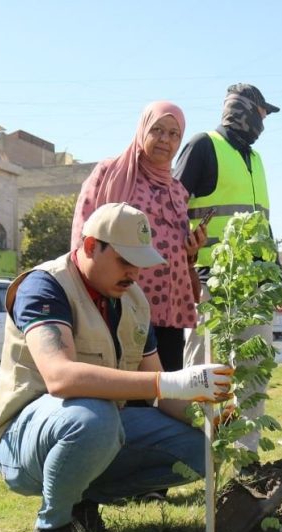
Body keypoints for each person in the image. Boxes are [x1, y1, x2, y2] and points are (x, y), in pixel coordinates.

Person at [0, 203, 234, 532]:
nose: (134, 273)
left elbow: (163, 389)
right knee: (93, 420)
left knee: (201, 447)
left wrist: (212, 418)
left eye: (139, 263)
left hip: (95, 426)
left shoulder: (132, 301)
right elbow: (60, 377)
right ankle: (51, 529)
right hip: (21, 440)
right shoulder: (45, 286)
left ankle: (81, 500)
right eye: (124, 261)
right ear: (89, 247)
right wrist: (170, 383)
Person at [174, 83, 282, 452]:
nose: (263, 123)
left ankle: (245, 459)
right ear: (245, 110)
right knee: (204, 374)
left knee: (254, 372)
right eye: (262, 113)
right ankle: (196, 457)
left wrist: (276, 275)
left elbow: (261, 225)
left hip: (255, 286)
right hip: (210, 282)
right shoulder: (204, 146)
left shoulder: (256, 160)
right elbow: (171, 207)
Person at [71, 101, 205, 376]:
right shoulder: (111, 173)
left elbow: (175, 248)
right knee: (128, 389)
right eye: (157, 130)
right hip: (123, 300)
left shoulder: (178, 191)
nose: (165, 140)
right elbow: (83, 230)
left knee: (167, 389)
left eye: (173, 134)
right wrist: (79, 287)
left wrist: (191, 250)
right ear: (142, 129)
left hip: (170, 309)